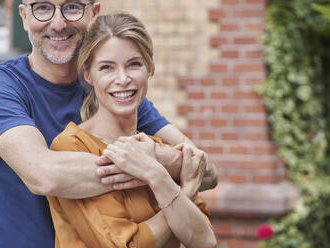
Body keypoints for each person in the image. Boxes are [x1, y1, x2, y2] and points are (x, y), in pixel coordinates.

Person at [0, 0, 217, 248]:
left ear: (93, 13)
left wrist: (158, 162)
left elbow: (206, 171)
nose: (58, 23)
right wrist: (156, 167)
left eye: (72, 7)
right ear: (24, 17)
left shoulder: (113, 90)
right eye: (42, 9)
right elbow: (44, 176)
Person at [47, 12, 217, 248]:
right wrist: (182, 191)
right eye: (107, 67)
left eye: (134, 64)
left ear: (149, 67)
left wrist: (157, 177)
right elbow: (124, 245)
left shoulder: (159, 149)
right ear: (88, 74)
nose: (123, 78)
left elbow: (205, 241)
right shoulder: (73, 147)